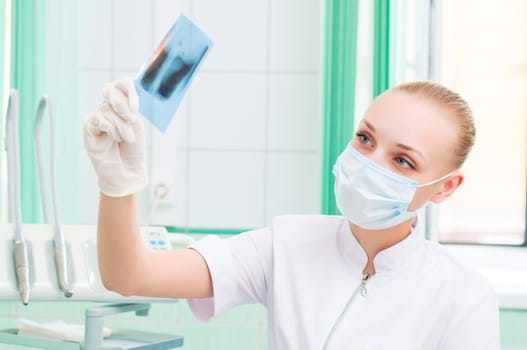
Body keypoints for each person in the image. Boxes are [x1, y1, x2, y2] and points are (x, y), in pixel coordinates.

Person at [83, 79, 500, 349]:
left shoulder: (463, 296)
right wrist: (119, 185)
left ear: (446, 186)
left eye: (403, 161)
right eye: (365, 138)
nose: (371, 164)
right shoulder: (286, 246)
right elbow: (130, 274)